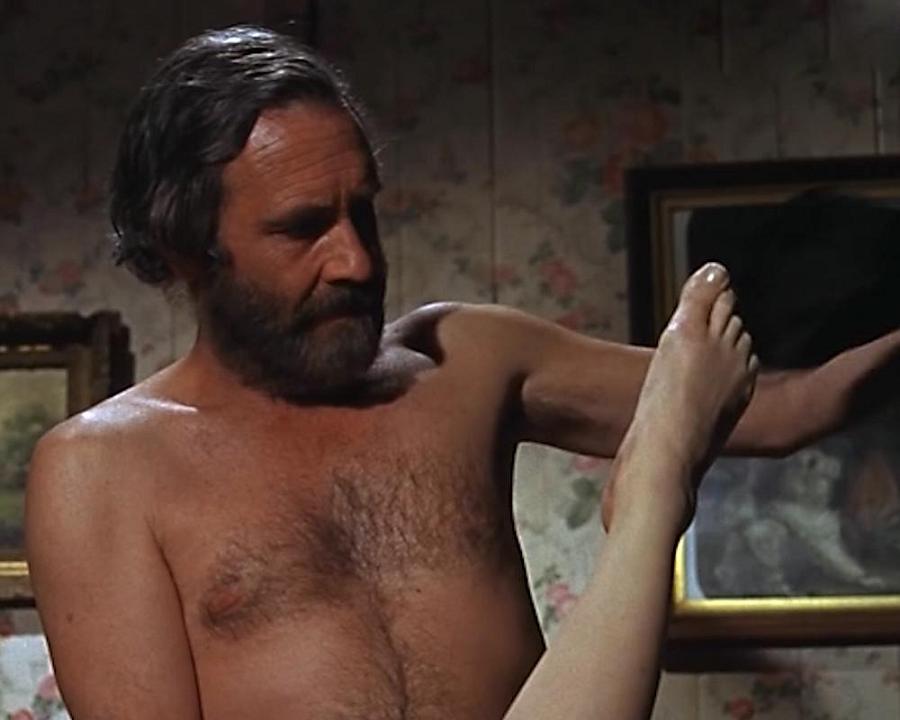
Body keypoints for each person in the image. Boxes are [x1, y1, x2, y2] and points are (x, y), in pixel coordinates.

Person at [23, 26, 900, 720]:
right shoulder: (102, 469)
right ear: (186, 248)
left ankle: (649, 498)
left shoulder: (464, 360)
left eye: (363, 213)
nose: (356, 261)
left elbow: (788, 407)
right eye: (302, 228)